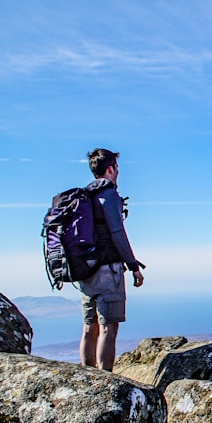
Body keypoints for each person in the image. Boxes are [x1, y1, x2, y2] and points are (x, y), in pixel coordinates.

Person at [75, 148, 145, 370]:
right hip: (107, 270)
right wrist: (133, 265)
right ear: (111, 168)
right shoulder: (109, 194)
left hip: (84, 270)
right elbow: (117, 233)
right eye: (117, 167)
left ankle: (87, 375)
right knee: (108, 328)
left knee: (89, 326)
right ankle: (106, 379)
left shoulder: (84, 197)